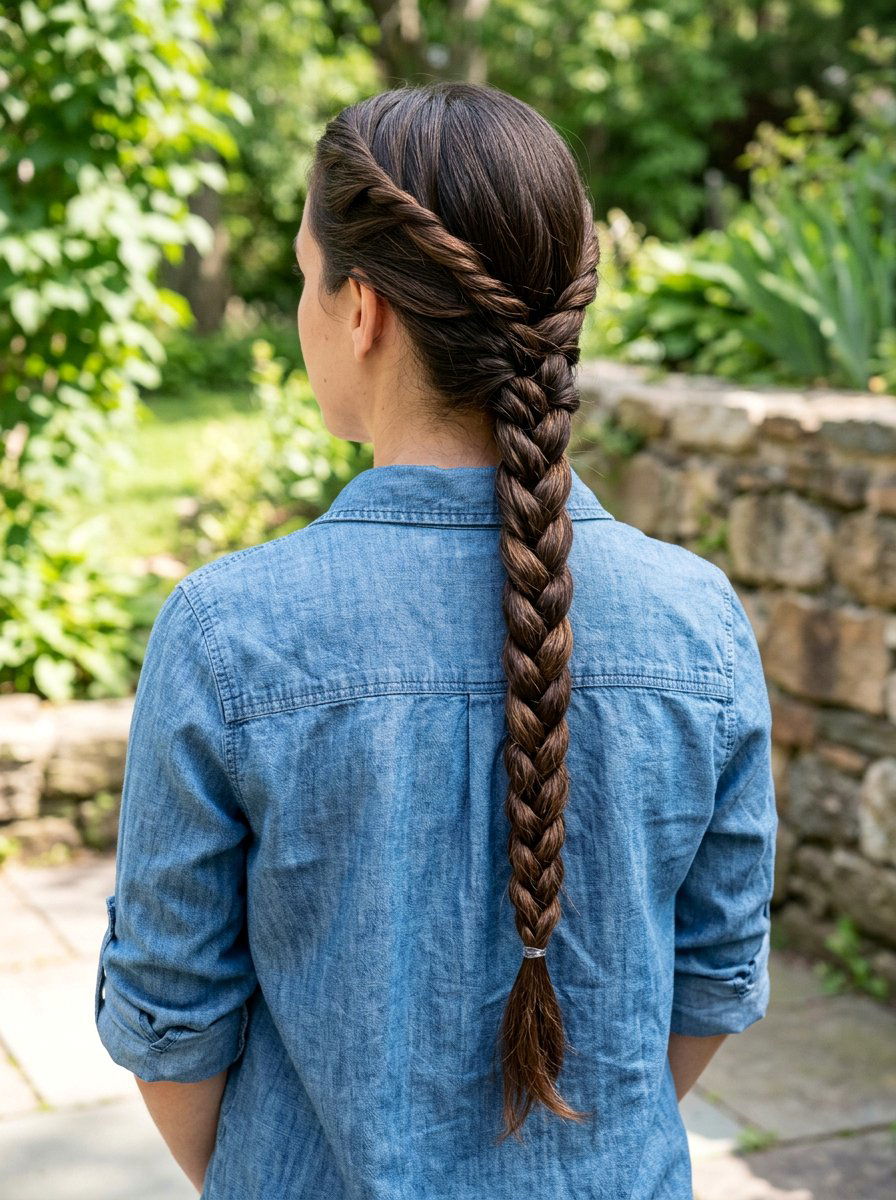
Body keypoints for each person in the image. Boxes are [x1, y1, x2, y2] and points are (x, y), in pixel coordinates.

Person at [94, 81, 777, 1199]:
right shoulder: (697, 623)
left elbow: (170, 1019)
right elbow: (709, 982)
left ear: (359, 309)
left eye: (304, 280)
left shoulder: (228, 635)